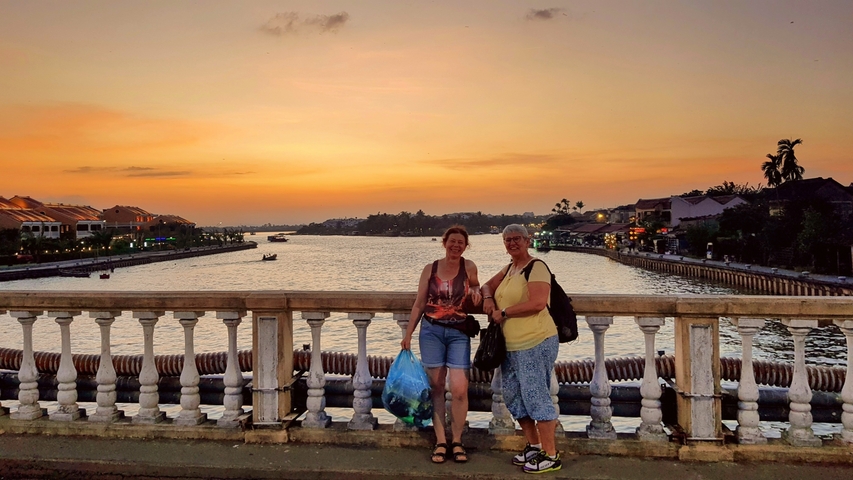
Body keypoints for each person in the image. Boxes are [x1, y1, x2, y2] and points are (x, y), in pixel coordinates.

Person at [481, 224, 561, 474]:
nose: (512, 243)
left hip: (536, 340)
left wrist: (503, 312)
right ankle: (534, 446)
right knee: (515, 396)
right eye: (507, 240)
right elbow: (486, 286)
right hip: (511, 345)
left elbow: (537, 303)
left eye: (517, 239)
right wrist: (487, 299)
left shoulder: (536, 267)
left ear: (528, 241)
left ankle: (551, 454)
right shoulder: (509, 269)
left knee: (536, 395)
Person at [401, 226, 482, 464]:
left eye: (461, 243)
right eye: (452, 241)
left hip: (458, 332)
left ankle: (457, 440)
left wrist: (477, 293)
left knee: (459, 388)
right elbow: (419, 303)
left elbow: (477, 286)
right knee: (436, 386)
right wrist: (408, 334)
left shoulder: (469, 267)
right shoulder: (431, 269)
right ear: (444, 242)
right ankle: (440, 441)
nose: (456, 246)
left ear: (466, 246)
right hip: (431, 332)